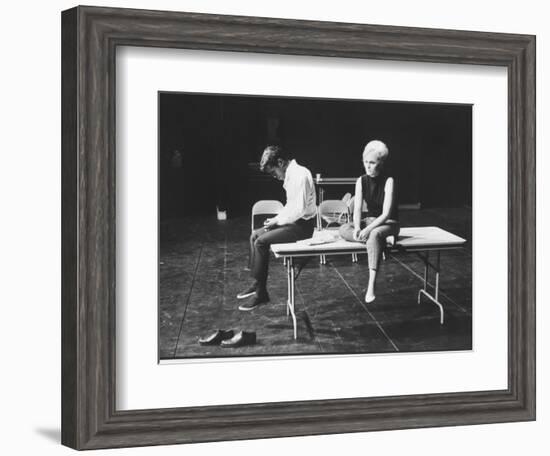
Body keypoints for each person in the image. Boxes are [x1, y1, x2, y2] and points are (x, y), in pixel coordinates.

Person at [237, 145, 317, 311]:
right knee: (254, 235)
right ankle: (257, 283)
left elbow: (299, 210)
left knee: (260, 243)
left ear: (280, 162)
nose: (275, 176)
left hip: (303, 227)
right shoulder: (291, 174)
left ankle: (261, 294)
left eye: (274, 172)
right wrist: (276, 219)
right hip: (293, 222)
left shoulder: (300, 175)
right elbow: (290, 206)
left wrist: (278, 222)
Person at [339, 140, 399, 303]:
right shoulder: (361, 180)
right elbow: (357, 209)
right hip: (370, 221)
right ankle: (378, 241)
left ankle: (371, 284)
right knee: (344, 228)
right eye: (365, 162)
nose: (368, 166)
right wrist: (358, 227)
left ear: (381, 163)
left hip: (388, 223)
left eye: (372, 162)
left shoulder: (389, 181)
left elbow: (386, 214)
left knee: (373, 235)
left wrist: (367, 230)